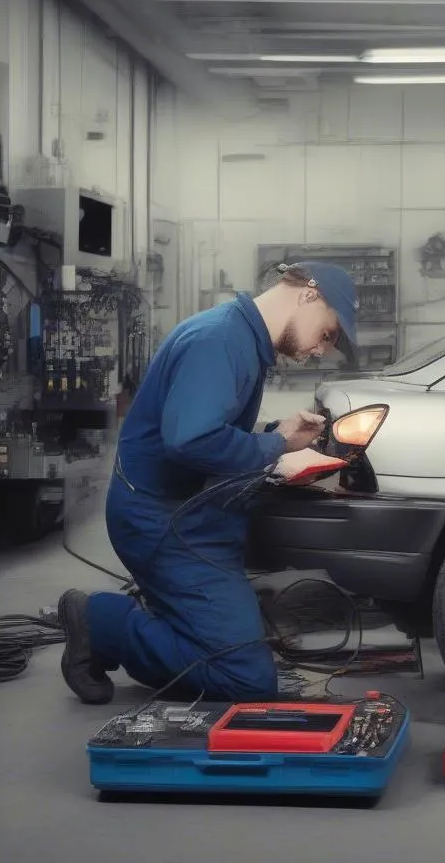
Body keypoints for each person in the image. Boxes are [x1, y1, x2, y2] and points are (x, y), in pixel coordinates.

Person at [58, 261, 359, 705]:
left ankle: (171, 622)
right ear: (309, 293)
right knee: (246, 679)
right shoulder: (218, 340)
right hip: (166, 523)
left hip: (191, 510)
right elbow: (191, 440)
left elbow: (208, 427)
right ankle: (103, 622)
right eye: (328, 334)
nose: (320, 349)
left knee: (231, 640)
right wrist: (273, 445)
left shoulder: (241, 338)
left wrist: (277, 436)